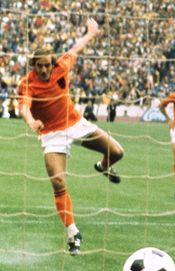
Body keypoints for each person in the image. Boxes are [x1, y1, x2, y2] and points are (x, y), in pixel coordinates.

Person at [17, 18, 124, 256]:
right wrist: (31, 121)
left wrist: (91, 32)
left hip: (75, 123)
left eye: (47, 65)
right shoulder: (27, 84)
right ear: (33, 65)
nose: (44, 70)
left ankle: (102, 166)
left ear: (52, 63)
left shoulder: (62, 67)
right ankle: (73, 233)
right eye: (39, 66)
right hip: (52, 134)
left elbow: (76, 48)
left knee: (117, 152)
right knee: (58, 182)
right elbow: (24, 106)